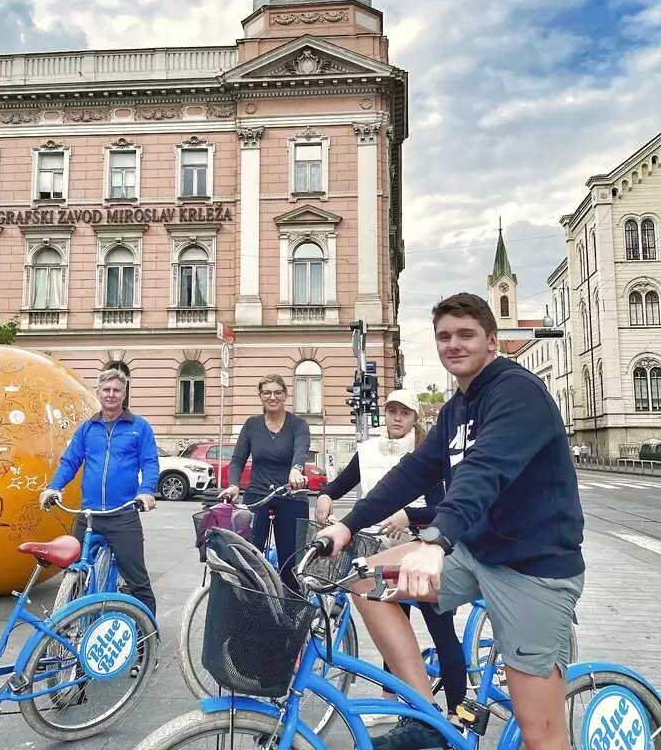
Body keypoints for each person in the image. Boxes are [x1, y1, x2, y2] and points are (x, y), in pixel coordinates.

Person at [318, 293, 584, 750]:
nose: (454, 344)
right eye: (444, 336)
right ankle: (427, 719)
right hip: (478, 554)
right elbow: (416, 471)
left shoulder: (515, 391)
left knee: (540, 732)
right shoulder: (456, 407)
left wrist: (435, 541)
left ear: (492, 342)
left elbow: (486, 470)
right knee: (364, 581)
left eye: (466, 334)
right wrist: (347, 524)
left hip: (533, 569)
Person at [316, 389, 466, 730]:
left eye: (405, 413)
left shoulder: (429, 453)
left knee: (442, 633)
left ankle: (458, 714)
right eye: (392, 412)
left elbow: (445, 507)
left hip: (425, 550)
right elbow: (342, 483)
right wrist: (325, 494)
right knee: (393, 634)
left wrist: (409, 515)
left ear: (416, 419)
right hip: (383, 551)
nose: (397, 418)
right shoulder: (368, 451)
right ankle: (393, 703)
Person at [39, 367, 160, 617]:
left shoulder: (139, 427)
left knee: (138, 582)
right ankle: (69, 633)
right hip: (89, 514)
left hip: (123, 514)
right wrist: (53, 487)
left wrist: (146, 491)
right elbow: (70, 462)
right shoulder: (86, 429)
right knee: (74, 573)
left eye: (117, 390)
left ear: (124, 394)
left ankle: (146, 640)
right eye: (106, 390)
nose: (111, 394)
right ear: (99, 393)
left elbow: (150, 462)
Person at [221, 374, 310, 593]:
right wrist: (234, 485)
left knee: (291, 564)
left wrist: (296, 470)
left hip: (291, 495)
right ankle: (253, 612)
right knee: (250, 559)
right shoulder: (252, 425)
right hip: (258, 495)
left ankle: (292, 614)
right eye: (267, 393)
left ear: (285, 395)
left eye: (278, 392)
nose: (273, 397)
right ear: (260, 396)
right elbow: (238, 459)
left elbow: (301, 449)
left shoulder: (298, 424)